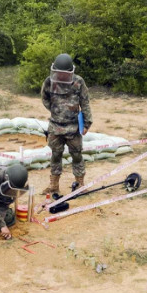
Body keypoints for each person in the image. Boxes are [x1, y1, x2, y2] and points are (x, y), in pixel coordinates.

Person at [41, 53, 93, 195]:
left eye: (64, 73)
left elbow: (85, 103)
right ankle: (54, 185)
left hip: (73, 128)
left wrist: (87, 123)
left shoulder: (79, 82)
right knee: (55, 155)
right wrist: (56, 110)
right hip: (55, 127)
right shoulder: (49, 82)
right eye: (59, 73)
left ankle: (80, 184)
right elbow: (44, 98)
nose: (61, 76)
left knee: (76, 155)